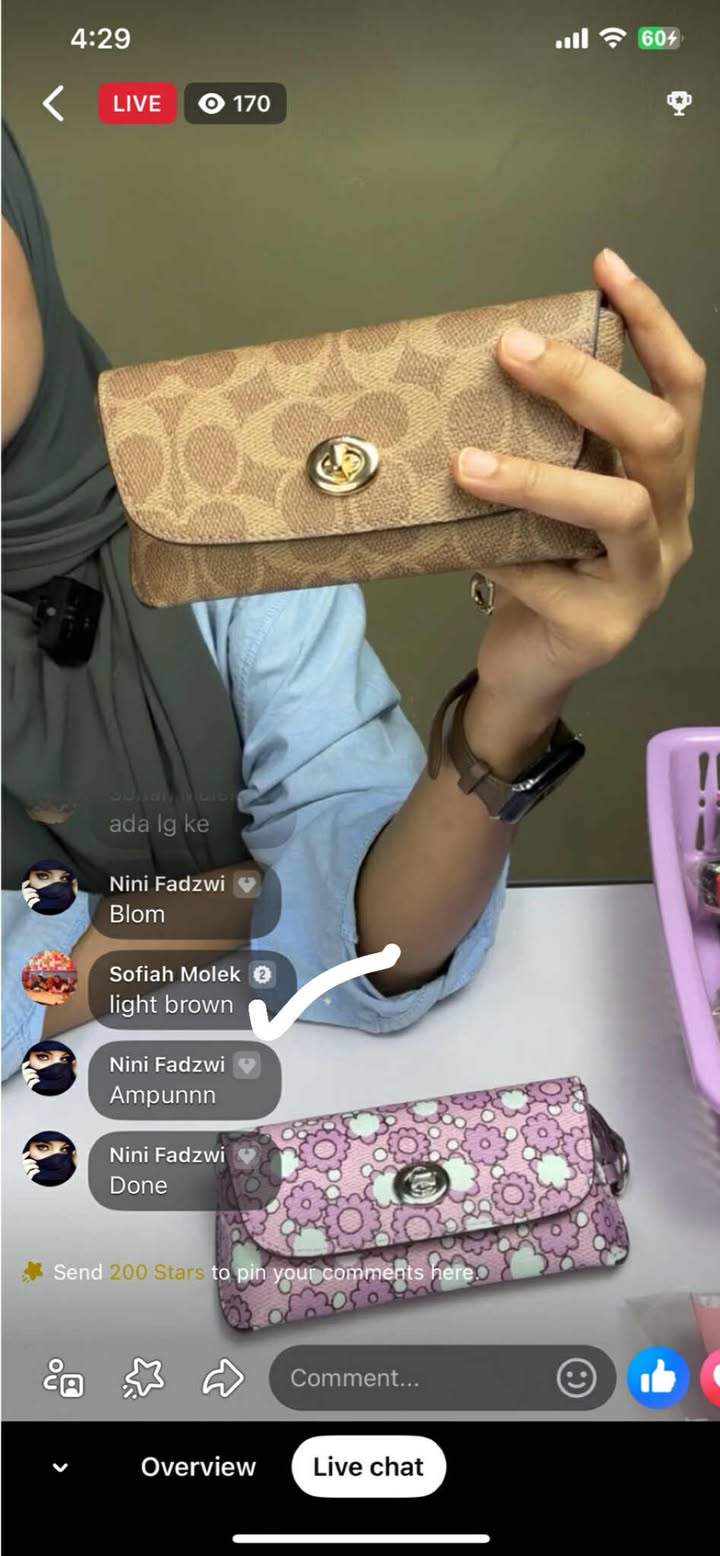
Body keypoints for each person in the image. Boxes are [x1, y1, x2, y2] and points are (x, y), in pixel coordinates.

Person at [1, 122, 704, 1078]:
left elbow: (380, 939)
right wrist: (246, 899)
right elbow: (304, 900)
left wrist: (515, 700)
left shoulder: (208, 494)